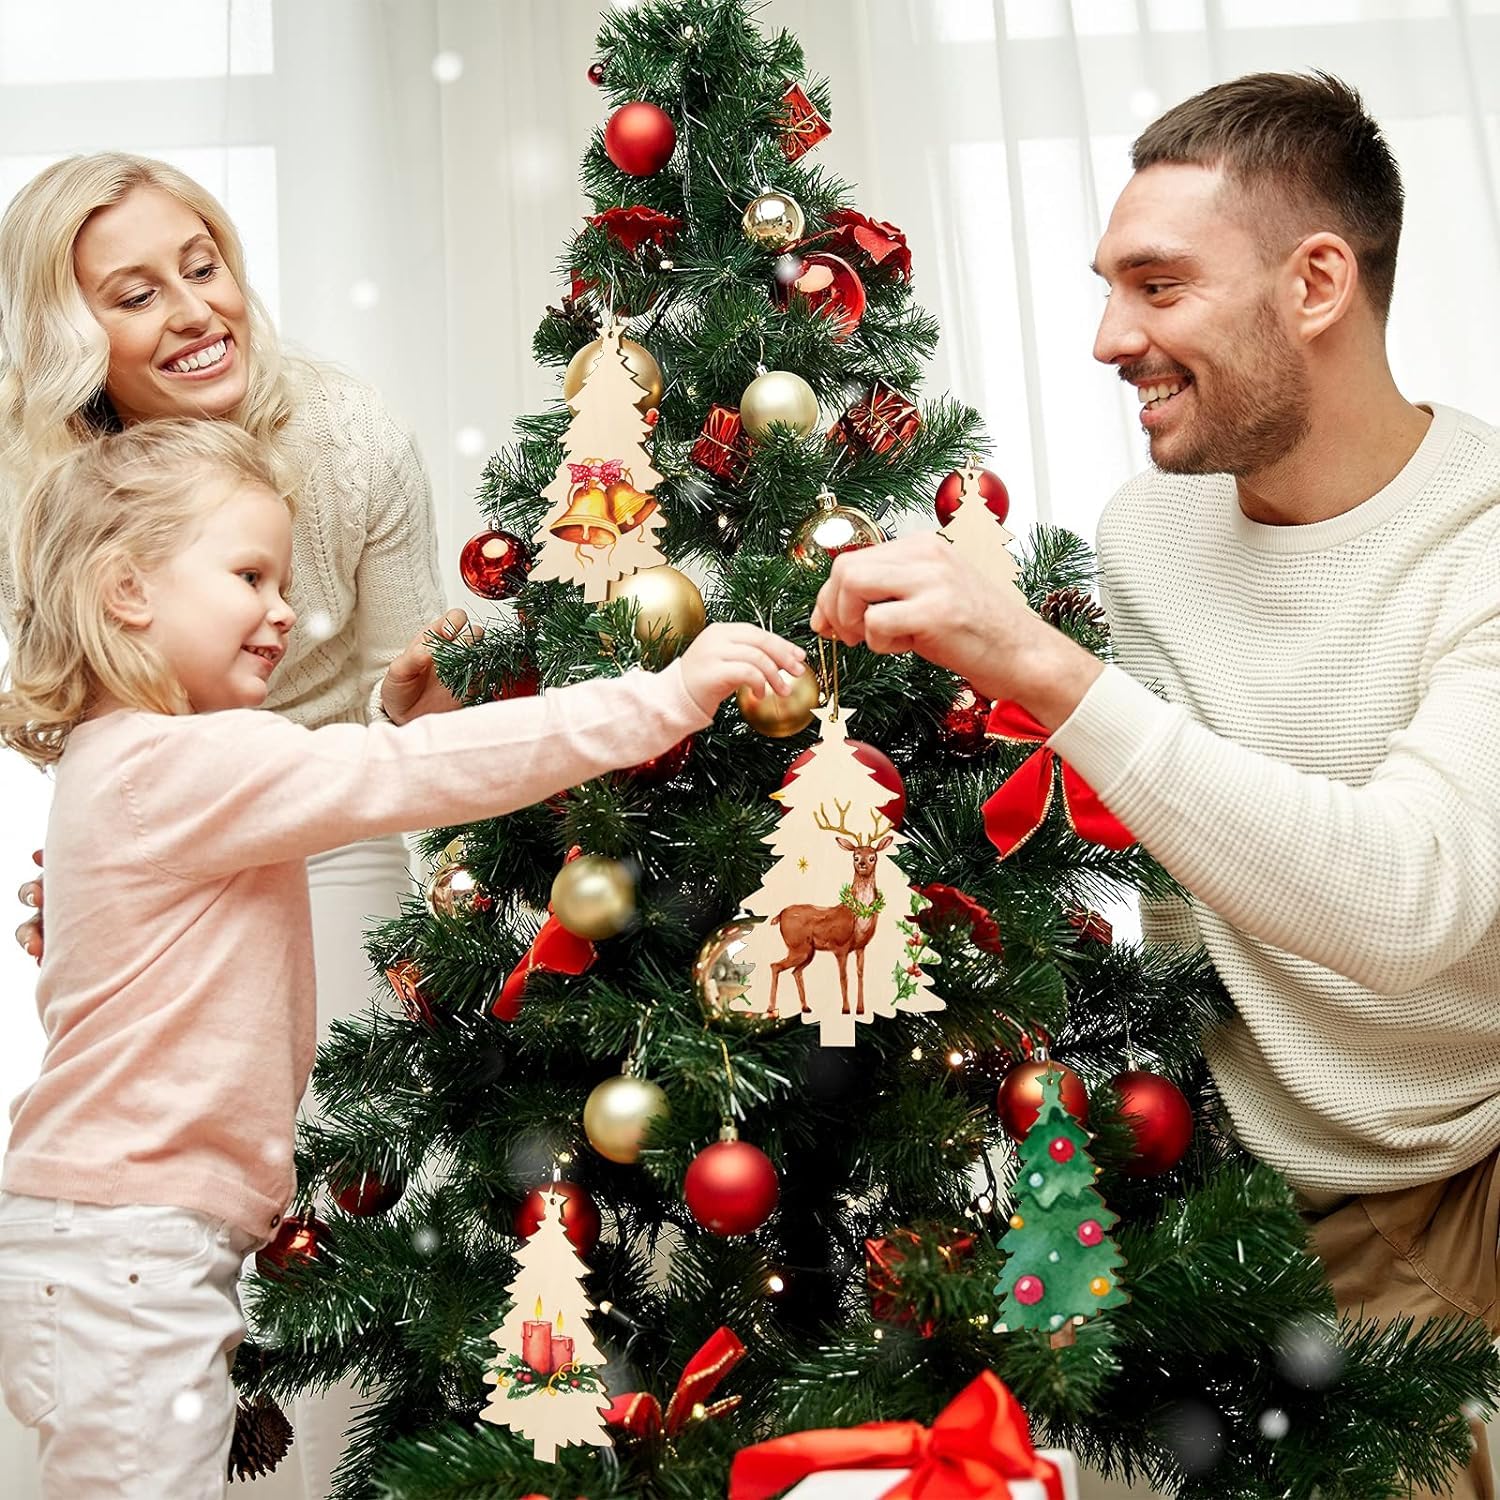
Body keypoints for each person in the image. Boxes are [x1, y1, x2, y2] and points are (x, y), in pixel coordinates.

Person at [812, 71, 1500, 1500]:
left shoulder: (1483, 539)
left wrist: (1050, 675)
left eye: (1159, 286)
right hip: (1302, 1178)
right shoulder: (1151, 532)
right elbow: (1182, 837)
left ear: (1319, 281)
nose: (1111, 337)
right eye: (1108, 286)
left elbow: (1414, 898)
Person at [0, 416, 805, 1499]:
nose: (284, 608)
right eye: (248, 574)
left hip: (117, 1241)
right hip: (125, 1250)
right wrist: (659, 700)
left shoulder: (125, 769)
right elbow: (411, 769)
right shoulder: (182, 762)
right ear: (128, 592)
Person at [0, 152, 462, 1495]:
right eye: (136, 294)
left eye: (203, 265)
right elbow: (64, 719)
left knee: (360, 1213)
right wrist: (102, 872)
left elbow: (407, 713)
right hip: (174, 853)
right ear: (72, 335)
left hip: (337, 815)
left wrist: (423, 713)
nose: (195, 310)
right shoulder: (41, 479)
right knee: (170, 1225)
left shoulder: (346, 432)